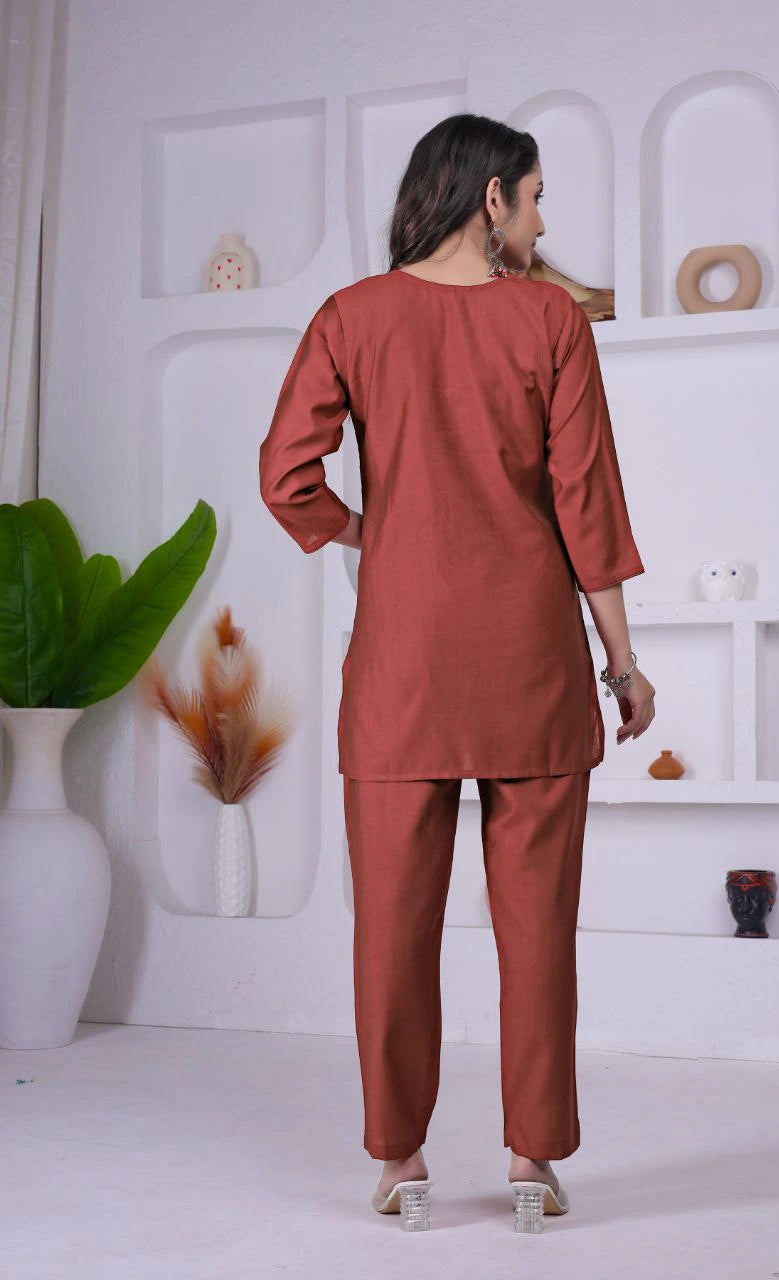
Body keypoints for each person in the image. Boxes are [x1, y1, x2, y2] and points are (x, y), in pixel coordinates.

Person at [259, 112, 656, 1230]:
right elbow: (588, 505)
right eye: (534, 197)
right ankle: (532, 1161)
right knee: (538, 928)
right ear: (490, 201)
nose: (542, 218)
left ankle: (400, 1161)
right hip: (531, 662)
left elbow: (285, 474)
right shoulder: (548, 321)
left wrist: (366, 530)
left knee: (390, 925)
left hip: (401, 672)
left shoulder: (351, 317)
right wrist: (622, 662)